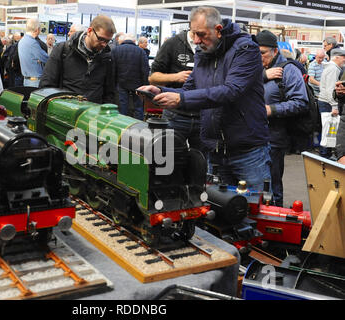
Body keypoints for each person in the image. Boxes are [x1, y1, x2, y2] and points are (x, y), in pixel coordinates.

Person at [138, 6, 271, 192]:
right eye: (193, 34)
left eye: (201, 34)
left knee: (251, 210)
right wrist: (159, 90)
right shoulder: (203, 53)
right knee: (218, 212)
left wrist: (180, 99)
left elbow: (231, 91)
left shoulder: (246, 49)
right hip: (214, 150)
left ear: (218, 30)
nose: (196, 40)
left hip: (247, 151)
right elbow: (189, 89)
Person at [256, 29, 309, 207]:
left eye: (262, 53)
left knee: (272, 184)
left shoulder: (289, 70)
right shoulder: (259, 69)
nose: (258, 57)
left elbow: (301, 102)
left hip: (274, 137)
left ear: (275, 51)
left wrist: (272, 109)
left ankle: (275, 220)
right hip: (252, 135)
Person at [148, 22, 202, 153]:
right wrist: (175, 77)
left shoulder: (211, 46)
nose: (198, 39)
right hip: (176, 115)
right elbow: (152, 78)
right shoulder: (172, 44)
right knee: (169, 160)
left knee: (201, 164)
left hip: (203, 116)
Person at [39, 15, 116, 104]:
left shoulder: (107, 57)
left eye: (108, 41)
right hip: (65, 111)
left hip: (93, 114)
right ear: (89, 31)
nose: (104, 44)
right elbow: (46, 86)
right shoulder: (62, 50)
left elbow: (109, 93)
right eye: (101, 39)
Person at [111, 33, 149, 120]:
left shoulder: (116, 50)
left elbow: (112, 70)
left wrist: (113, 84)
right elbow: (145, 70)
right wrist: (145, 85)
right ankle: (139, 127)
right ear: (134, 41)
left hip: (121, 83)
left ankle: (122, 126)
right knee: (138, 108)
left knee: (122, 107)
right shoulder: (140, 51)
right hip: (137, 84)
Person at [317, 48, 345, 158]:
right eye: (343, 57)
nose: (344, 60)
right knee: (329, 132)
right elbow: (331, 89)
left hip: (325, 101)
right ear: (337, 57)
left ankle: (325, 155)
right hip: (328, 103)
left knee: (327, 131)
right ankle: (325, 156)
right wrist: (334, 106)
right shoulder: (333, 69)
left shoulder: (330, 68)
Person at [17, 18, 49, 88]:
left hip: (27, 80)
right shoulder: (33, 43)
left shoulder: (22, 41)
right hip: (35, 82)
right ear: (37, 29)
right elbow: (46, 58)